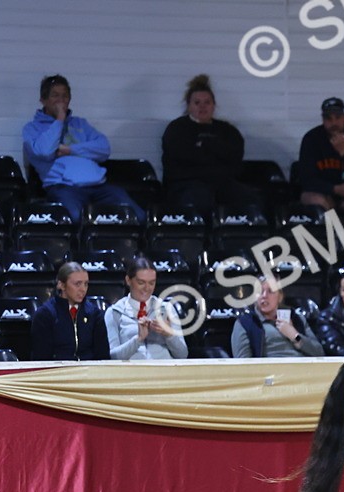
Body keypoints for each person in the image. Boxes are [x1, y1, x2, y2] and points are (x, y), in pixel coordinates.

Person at [22, 74, 145, 223]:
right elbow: (45, 151)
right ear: (43, 100)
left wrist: (70, 150)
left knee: (137, 215)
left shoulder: (81, 124)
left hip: (98, 186)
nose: (61, 100)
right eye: (55, 95)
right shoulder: (32, 129)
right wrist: (60, 119)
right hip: (64, 188)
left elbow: (104, 149)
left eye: (65, 96)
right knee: (74, 218)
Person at [161, 74, 261, 214]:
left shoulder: (228, 131)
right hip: (186, 185)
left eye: (207, 102)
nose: (202, 107)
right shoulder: (177, 129)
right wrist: (214, 153)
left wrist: (202, 148)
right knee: (200, 198)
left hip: (222, 183)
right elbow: (180, 158)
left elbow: (235, 161)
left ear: (214, 105)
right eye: (197, 103)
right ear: (189, 106)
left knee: (250, 200)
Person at [105, 255, 188, 360]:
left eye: (151, 283)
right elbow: (112, 357)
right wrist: (138, 339)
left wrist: (169, 334)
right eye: (141, 282)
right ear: (128, 280)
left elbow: (183, 354)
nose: (147, 288)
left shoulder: (167, 308)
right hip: (131, 374)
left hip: (163, 373)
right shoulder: (114, 312)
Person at [30, 262, 110, 360]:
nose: (83, 289)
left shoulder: (94, 314)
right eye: (78, 284)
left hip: (88, 372)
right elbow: (41, 357)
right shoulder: (45, 315)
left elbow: (103, 356)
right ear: (62, 285)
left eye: (86, 284)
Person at [231, 276, 324, 358]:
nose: (264, 296)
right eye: (260, 291)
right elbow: (243, 365)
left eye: (270, 291)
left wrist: (295, 336)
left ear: (280, 297)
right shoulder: (245, 324)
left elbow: (319, 353)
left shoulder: (297, 319)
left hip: (302, 372)